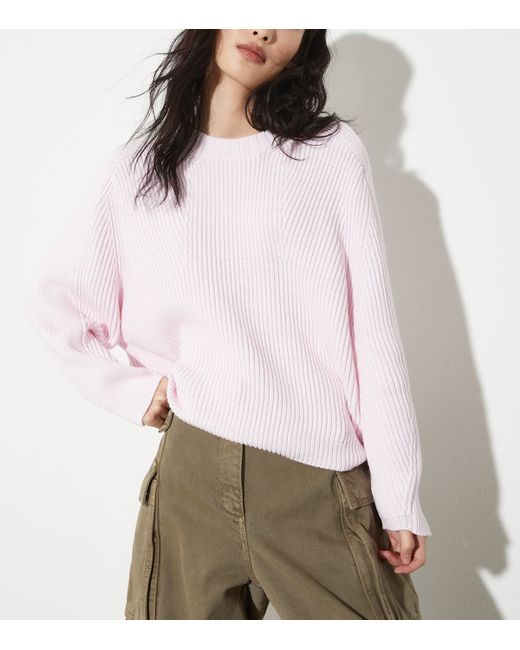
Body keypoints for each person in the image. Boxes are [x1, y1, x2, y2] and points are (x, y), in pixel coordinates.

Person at [25, 29, 432, 620]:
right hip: (191, 473)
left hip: (315, 479)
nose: (265, 27)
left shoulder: (329, 155)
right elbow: (59, 304)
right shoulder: (138, 171)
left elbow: (373, 332)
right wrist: (133, 391)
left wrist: (398, 495)